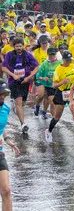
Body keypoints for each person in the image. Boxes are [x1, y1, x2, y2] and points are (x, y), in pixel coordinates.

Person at [2, 37, 39, 133]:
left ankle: (18, 108)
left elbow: (36, 66)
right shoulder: (10, 55)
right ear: (13, 46)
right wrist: (13, 75)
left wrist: (29, 77)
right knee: (18, 101)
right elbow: (4, 68)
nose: (19, 48)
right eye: (17, 46)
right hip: (13, 81)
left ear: (23, 46)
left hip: (25, 81)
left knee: (22, 103)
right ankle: (23, 124)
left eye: (20, 46)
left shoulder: (28, 55)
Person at [45, 51, 74, 143]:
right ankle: (49, 131)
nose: (69, 62)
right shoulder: (58, 70)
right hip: (61, 93)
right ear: (63, 60)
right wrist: (62, 82)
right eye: (67, 60)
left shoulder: (73, 66)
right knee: (57, 116)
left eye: (70, 60)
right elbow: (54, 85)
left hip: (72, 92)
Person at [0, 79, 20, 211]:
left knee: (6, 190)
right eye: (0, 94)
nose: (2, 97)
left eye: (4, 94)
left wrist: (7, 139)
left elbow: (1, 128)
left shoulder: (5, 109)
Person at [35, 47, 62, 119]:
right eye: (50, 55)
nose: (52, 57)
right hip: (44, 84)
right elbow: (38, 76)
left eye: (53, 55)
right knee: (42, 96)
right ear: (47, 55)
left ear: (56, 54)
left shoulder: (60, 63)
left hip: (54, 85)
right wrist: (43, 78)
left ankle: (49, 116)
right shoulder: (44, 64)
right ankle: (37, 105)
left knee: (51, 102)